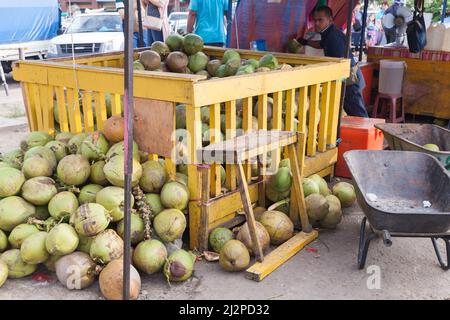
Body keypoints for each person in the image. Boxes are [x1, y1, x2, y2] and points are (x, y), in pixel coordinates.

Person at [298, 6, 369, 118]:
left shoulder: (333, 37)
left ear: (330, 20)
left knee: (360, 116)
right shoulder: (328, 32)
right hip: (349, 79)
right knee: (354, 114)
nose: (316, 23)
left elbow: (339, 63)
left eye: (320, 20)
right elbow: (321, 44)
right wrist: (306, 42)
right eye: (315, 20)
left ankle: (371, 134)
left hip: (350, 81)